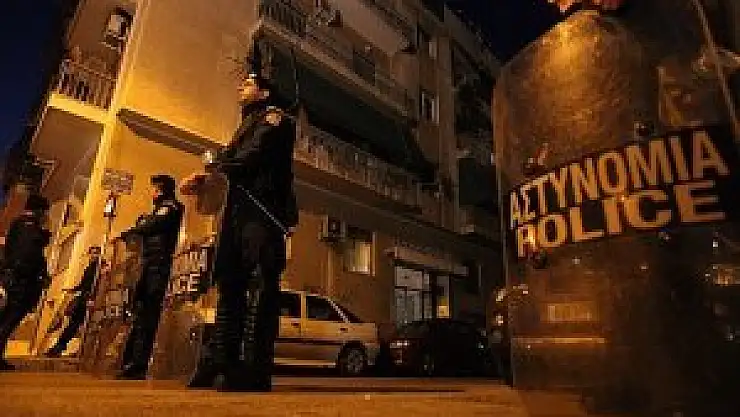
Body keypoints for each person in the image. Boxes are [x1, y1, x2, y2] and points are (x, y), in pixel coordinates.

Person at [185, 59, 298, 391]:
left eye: (248, 83)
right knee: (230, 284)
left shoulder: (275, 119)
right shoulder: (246, 124)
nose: (240, 87)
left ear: (264, 93)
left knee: (261, 284)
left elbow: (253, 156)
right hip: (236, 213)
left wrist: (216, 167)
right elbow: (232, 162)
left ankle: (254, 368)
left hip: (263, 212)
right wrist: (205, 180)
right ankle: (222, 359)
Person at [116, 175, 183, 380]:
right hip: (150, 265)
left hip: (158, 266)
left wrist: (129, 232)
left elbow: (152, 225)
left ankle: (139, 363)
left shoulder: (170, 207)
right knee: (142, 313)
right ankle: (131, 361)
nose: (151, 193)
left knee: (149, 313)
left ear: (161, 190)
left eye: (154, 189)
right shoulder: (160, 209)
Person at [0, 194, 52, 370]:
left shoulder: (20, 224)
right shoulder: (28, 227)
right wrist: (37, 276)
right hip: (21, 281)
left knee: (7, 318)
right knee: (9, 319)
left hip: (15, 278)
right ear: (39, 211)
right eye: (45, 212)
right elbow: (28, 255)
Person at [44, 246, 104, 358]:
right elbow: (84, 284)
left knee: (75, 324)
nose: (93, 256)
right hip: (85, 298)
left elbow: (91, 284)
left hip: (88, 299)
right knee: (75, 324)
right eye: (92, 253)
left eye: (96, 253)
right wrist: (71, 290)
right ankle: (61, 347)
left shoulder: (98, 267)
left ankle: (61, 347)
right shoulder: (92, 267)